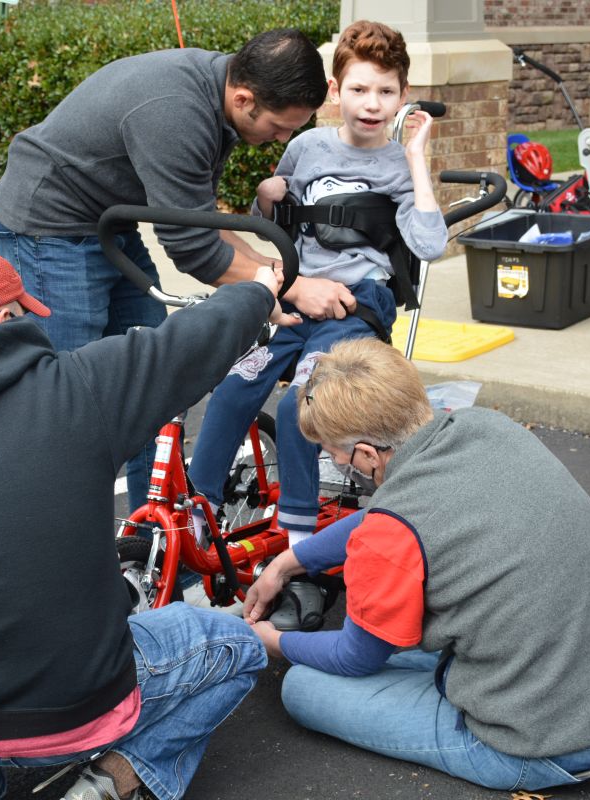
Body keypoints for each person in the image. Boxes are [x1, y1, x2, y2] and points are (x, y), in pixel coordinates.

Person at [0, 242, 291, 800]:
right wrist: (260, 290)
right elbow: (187, 342)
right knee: (238, 646)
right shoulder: (80, 390)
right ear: (6, 318)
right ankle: (109, 782)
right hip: (80, 709)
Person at [242, 337, 590, 793]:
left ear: (367, 454)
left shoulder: (389, 534)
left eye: (333, 452)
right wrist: (287, 563)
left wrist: (274, 641)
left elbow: (355, 658)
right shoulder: (487, 426)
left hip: (552, 742)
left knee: (304, 687)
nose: (333, 461)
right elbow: (390, 513)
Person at [0, 28, 329, 511]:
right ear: (244, 98)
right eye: (279, 126)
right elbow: (194, 250)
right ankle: (53, 535)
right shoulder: (177, 113)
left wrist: (276, 275)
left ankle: (152, 535)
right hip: (49, 226)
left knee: (154, 379)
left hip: (109, 222)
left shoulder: (220, 93)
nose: (282, 138)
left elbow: (200, 222)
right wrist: (288, 289)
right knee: (68, 399)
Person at [186, 20, 448, 628]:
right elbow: (271, 223)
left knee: (306, 400)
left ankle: (299, 548)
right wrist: (267, 196)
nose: (372, 104)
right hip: (300, 297)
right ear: (335, 91)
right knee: (235, 384)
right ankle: (201, 511)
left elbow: (430, 244)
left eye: (386, 91)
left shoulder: (397, 163)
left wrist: (415, 159)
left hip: (357, 306)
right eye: (359, 89)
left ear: (403, 95)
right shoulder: (306, 149)